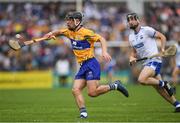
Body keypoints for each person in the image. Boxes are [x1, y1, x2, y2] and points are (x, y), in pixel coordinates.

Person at [43, 11, 129, 118]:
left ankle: (115, 86)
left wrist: (104, 51)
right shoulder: (69, 31)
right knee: (75, 90)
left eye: (70, 20)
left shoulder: (86, 32)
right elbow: (59, 32)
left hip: (91, 63)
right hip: (83, 66)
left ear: (77, 21)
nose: (67, 22)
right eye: (67, 20)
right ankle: (83, 113)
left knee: (92, 93)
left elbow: (101, 39)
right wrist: (50, 34)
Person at [127, 13, 180, 112]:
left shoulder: (147, 30)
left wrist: (163, 49)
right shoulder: (131, 37)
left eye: (133, 19)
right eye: (129, 20)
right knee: (159, 89)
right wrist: (131, 58)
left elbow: (162, 37)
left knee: (142, 80)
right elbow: (133, 52)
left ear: (138, 20)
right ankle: (177, 104)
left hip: (154, 61)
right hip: (146, 63)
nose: (130, 21)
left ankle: (164, 83)